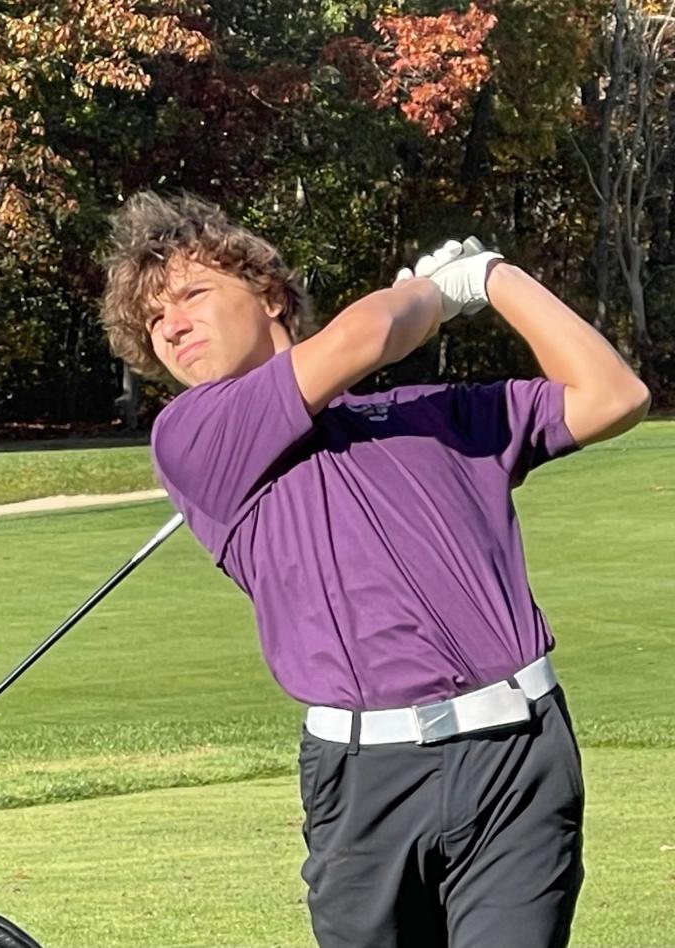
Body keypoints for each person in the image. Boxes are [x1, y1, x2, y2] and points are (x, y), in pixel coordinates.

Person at [99, 191, 650, 948]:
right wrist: (431, 293)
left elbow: (616, 395)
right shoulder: (194, 435)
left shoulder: (437, 415)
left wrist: (495, 278)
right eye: (154, 320)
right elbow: (365, 336)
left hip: (516, 756)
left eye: (193, 293)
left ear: (269, 295)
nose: (173, 325)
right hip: (362, 782)